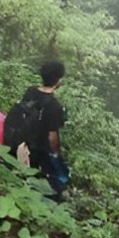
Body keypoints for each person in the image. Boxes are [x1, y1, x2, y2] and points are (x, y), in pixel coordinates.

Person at [22, 61, 70, 201]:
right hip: (39, 150)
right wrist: (57, 154)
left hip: (22, 142)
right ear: (58, 80)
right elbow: (52, 137)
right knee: (52, 181)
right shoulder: (54, 106)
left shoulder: (30, 92)